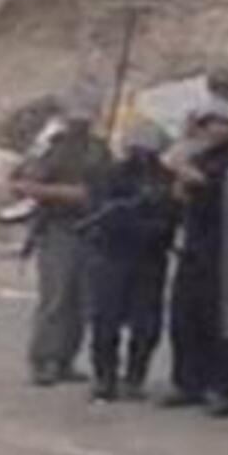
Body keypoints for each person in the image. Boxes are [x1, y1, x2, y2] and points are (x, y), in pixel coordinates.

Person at [162, 108, 228, 415]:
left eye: (222, 123)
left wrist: (182, 166)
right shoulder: (203, 155)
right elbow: (182, 194)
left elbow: (211, 184)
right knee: (186, 317)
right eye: (209, 124)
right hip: (197, 245)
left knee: (225, 324)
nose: (215, 129)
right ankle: (189, 383)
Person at [11, 104, 111, 387]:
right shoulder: (52, 150)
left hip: (91, 229)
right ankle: (44, 360)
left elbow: (104, 186)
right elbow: (22, 184)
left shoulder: (99, 150)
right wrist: (62, 193)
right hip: (59, 229)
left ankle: (65, 359)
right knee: (56, 297)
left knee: (81, 300)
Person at [80, 127, 179, 402]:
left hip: (150, 258)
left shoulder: (165, 178)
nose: (142, 157)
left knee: (145, 325)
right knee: (105, 321)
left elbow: (171, 215)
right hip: (112, 255)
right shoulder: (111, 176)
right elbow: (101, 214)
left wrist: (152, 228)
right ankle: (105, 377)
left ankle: (135, 377)